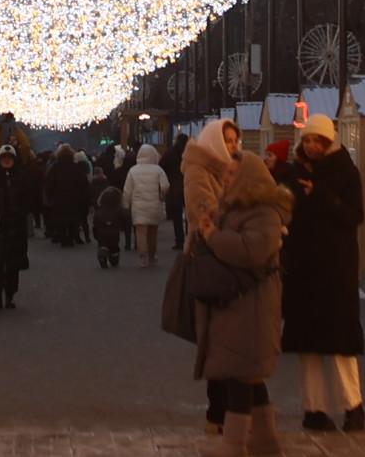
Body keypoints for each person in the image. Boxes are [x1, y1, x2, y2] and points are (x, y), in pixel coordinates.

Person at [191, 147, 293, 455]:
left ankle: (234, 446)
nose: (227, 177)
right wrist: (207, 229)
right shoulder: (231, 208)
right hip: (234, 306)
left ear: (248, 178)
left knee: (238, 378)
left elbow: (251, 251)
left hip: (251, 307)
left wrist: (212, 236)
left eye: (233, 174)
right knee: (248, 376)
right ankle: (265, 442)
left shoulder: (263, 213)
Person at [279, 115, 365, 432]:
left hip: (335, 268)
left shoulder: (345, 171)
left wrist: (320, 195)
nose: (312, 146)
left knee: (341, 343)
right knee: (308, 345)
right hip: (304, 268)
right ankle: (313, 409)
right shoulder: (295, 172)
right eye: (307, 140)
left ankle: (353, 406)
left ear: (329, 142)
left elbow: (354, 215)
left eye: (318, 141)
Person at [179, 122, 242, 430]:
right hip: (210, 261)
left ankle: (222, 412)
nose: (232, 146)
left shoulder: (230, 169)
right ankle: (217, 411)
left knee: (230, 340)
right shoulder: (199, 170)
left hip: (228, 257)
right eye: (226, 141)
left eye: (234, 141)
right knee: (217, 339)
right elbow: (204, 213)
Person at [0, 145, 35, 308]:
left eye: (9, 158)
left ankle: (10, 294)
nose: (6, 160)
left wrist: (20, 212)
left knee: (13, 264)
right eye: (4, 158)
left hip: (15, 228)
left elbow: (28, 200)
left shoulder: (21, 178)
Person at [124, 143, 171, 268]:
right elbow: (166, 186)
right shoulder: (158, 170)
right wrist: (161, 196)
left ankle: (143, 257)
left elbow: (127, 190)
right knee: (152, 232)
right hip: (154, 205)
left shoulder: (133, 170)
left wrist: (126, 204)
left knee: (141, 233)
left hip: (138, 207)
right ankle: (152, 256)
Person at [43, 145, 92, 246]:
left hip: (59, 198)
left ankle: (63, 238)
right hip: (74, 198)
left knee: (61, 219)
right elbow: (83, 184)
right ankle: (72, 236)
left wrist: (49, 196)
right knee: (73, 218)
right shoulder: (77, 167)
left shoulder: (54, 167)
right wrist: (85, 198)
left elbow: (49, 183)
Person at [89, 174, 129, 269]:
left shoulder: (99, 212)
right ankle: (114, 257)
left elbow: (95, 223)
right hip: (114, 232)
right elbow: (125, 220)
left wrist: (95, 233)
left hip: (101, 232)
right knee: (114, 246)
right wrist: (124, 228)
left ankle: (102, 253)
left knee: (102, 244)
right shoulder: (119, 210)